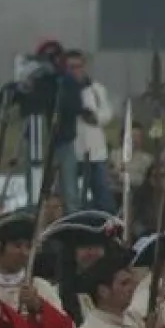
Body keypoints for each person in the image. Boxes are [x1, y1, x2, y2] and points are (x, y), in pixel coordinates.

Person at [5, 40, 86, 210]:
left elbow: (75, 106)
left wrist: (56, 89)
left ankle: (72, 218)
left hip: (62, 141)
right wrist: (22, 84)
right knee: (35, 186)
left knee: (69, 189)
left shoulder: (66, 81)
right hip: (36, 142)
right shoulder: (33, 80)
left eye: (55, 57)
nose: (51, 62)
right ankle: (35, 215)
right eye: (47, 58)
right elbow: (8, 98)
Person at [66, 50, 115, 211]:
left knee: (101, 192)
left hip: (95, 150)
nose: (75, 70)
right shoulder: (63, 89)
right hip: (72, 150)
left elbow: (107, 113)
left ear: (84, 67)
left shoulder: (96, 89)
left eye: (78, 66)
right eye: (71, 67)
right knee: (72, 194)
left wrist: (94, 117)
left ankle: (106, 220)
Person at [109, 120, 154, 206]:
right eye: (133, 136)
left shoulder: (147, 159)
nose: (135, 140)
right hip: (115, 193)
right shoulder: (114, 155)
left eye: (138, 136)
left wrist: (120, 175)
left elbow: (140, 180)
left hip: (136, 196)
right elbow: (110, 174)